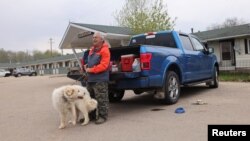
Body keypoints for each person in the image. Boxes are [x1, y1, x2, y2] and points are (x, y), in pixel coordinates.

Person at [84, 32, 110, 124]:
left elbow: (104, 66)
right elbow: (90, 61)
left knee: (101, 99)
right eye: (93, 37)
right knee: (89, 99)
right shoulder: (92, 49)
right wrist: (87, 66)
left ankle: (103, 116)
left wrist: (91, 70)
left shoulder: (105, 50)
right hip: (90, 79)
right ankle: (91, 116)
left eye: (96, 37)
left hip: (100, 79)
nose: (94, 39)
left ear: (101, 39)